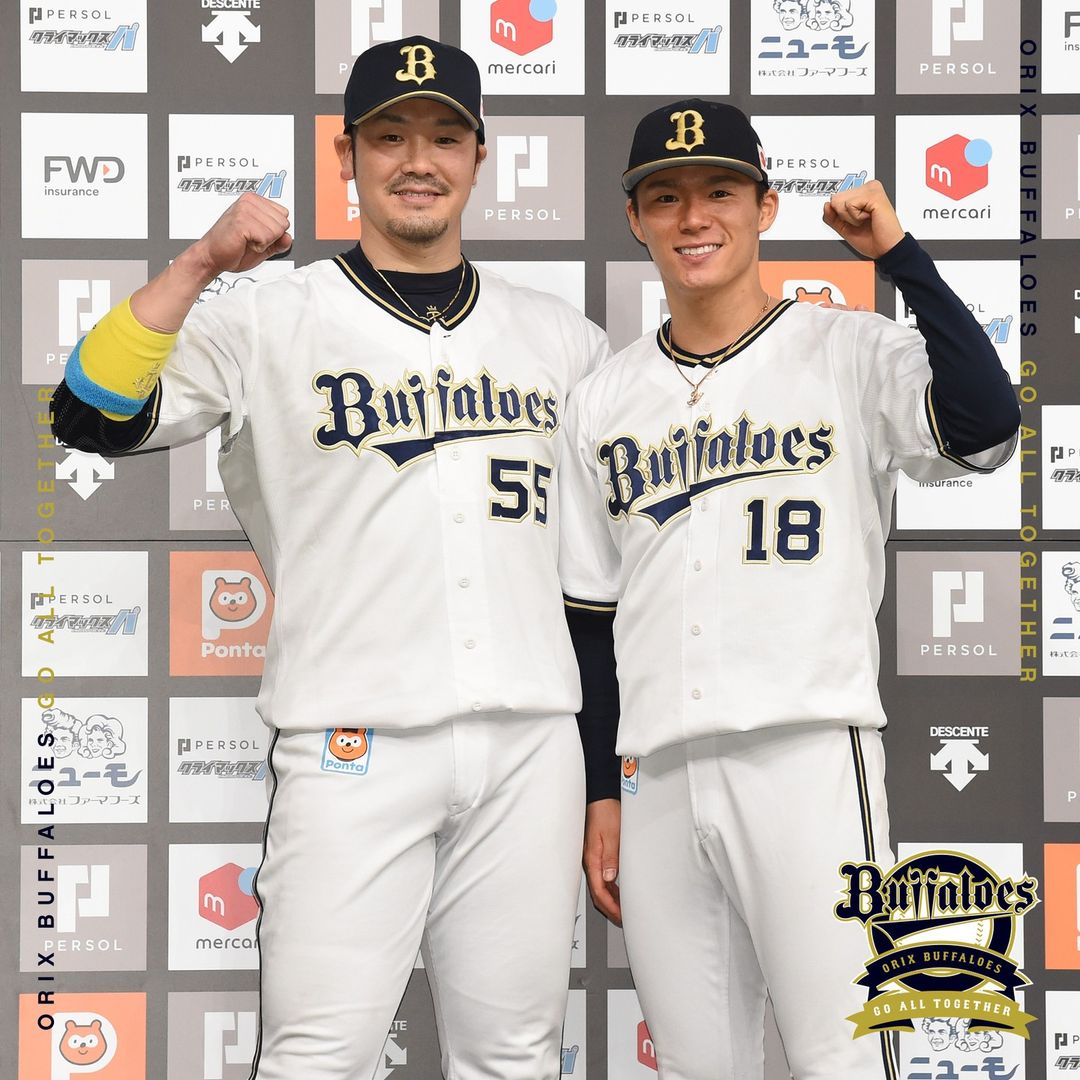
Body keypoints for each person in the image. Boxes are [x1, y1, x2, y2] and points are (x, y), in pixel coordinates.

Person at [51, 37, 610, 1080]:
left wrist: (606, 773)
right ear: (346, 155)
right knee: (316, 1057)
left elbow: (595, 587)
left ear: (478, 157)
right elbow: (90, 413)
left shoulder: (561, 340)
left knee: (518, 1056)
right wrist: (198, 264)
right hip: (353, 743)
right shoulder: (268, 316)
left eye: (444, 137)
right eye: (389, 137)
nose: (418, 160)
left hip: (533, 746)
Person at [559, 99, 1020, 1080]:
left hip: (807, 755)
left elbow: (984, 424)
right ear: (635, 218)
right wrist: (602, 788)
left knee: (845, 1061)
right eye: (665, 197)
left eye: (719, 192)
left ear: (765, 206)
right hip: (657, 775)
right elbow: (591, 616)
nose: (693, 217)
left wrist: (900, 257)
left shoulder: (847, 350)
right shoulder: (603, 399)